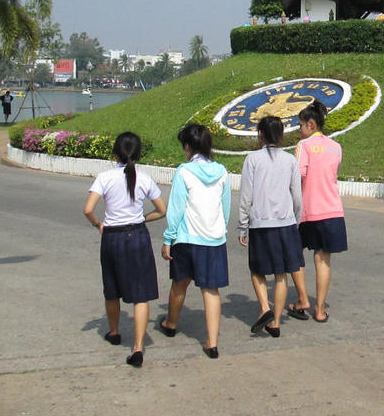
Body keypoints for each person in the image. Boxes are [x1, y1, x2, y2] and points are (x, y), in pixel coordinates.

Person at [83, 132, 166, 368]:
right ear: (138, 153)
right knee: (140, 295)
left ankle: (115, 331)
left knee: (112, 288)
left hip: (112, 237)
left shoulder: (105, 177)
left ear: (115, 153)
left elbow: (88, 209)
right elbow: (162, 210)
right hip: (137, 235)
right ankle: (138, 346)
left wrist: (98, 223)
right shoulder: (145, 178)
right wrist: (141, 218)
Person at [159, 124, 230, 359]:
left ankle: (170, 323)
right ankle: (212, 343)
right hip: (214, 238)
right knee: (211, 290)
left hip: (187, 239)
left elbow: (176, 209)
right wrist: (221, 229)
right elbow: (225, 207)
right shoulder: (222, 171)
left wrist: (168, 238)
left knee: (180, 284)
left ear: (188, 146)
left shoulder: (184, 171)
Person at [237, 116, 303, 338]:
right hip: (285, 222)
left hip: (260, 222)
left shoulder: (253, 159)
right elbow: (297, 195)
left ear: (260, 135)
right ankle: (275, 322)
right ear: (282, 135)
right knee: (281, 272)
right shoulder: (290, 160)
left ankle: (265, 307)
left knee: (257, 270)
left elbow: (246, 196)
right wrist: (296, 219)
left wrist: (242, 226)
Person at [287, 100, 347, 323]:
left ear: (311, 125)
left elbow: (299, 175)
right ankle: (320, 310)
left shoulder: (304, 146)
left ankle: (303, 299)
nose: (299, 131)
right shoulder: (335, 146)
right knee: (323, 261)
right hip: (333, 210)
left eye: (301, 126)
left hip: (309, 211)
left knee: (294, 254)